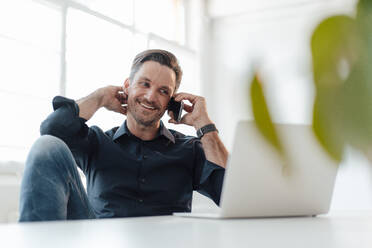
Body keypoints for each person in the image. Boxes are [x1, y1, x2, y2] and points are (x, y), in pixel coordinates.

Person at [19, 49, 228, 221]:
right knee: (46, 146)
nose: (150, 96)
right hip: (98, 239)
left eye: (163, 91)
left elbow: (232, 195)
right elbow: (52, 130)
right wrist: (99, 97)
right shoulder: (97, 142)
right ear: (127, 86)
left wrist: (204, 125)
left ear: (172, 101)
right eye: (144, 84)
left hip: (166, 241)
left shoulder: (189, 149)